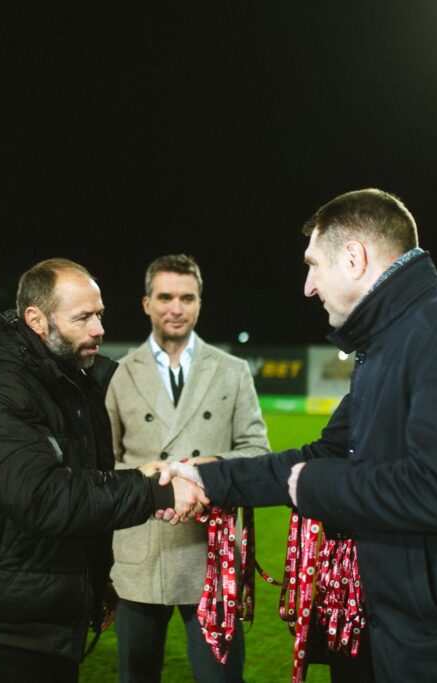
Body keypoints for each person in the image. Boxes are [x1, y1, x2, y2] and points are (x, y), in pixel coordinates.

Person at [162, 189, 437, 682]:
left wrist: (314, 485)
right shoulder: (388, 343)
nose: (308, 287)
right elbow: (324, 454)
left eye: (313, 266)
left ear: (354, 258)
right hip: (424, 639)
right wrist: (210, 478)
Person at [0, 257, 204, 683]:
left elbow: (89, 485)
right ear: (37, 320)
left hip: (55, 611)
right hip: (6, 622)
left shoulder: (73, 377)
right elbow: (43, 498)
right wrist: (154, 490)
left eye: (99, 314)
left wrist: (96, 582)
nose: (98, 329)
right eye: (82, 318)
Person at [105, 254, 269, 682]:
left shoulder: (233, 371)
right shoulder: (117, 374)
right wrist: (146, 477)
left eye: (186, 298)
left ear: (200, 303)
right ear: (147, 303)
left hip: (210, 554)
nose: (175, 308)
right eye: (165, 297)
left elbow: (257, 451)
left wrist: (209, 467)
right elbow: (101, 467)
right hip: (140, 553)